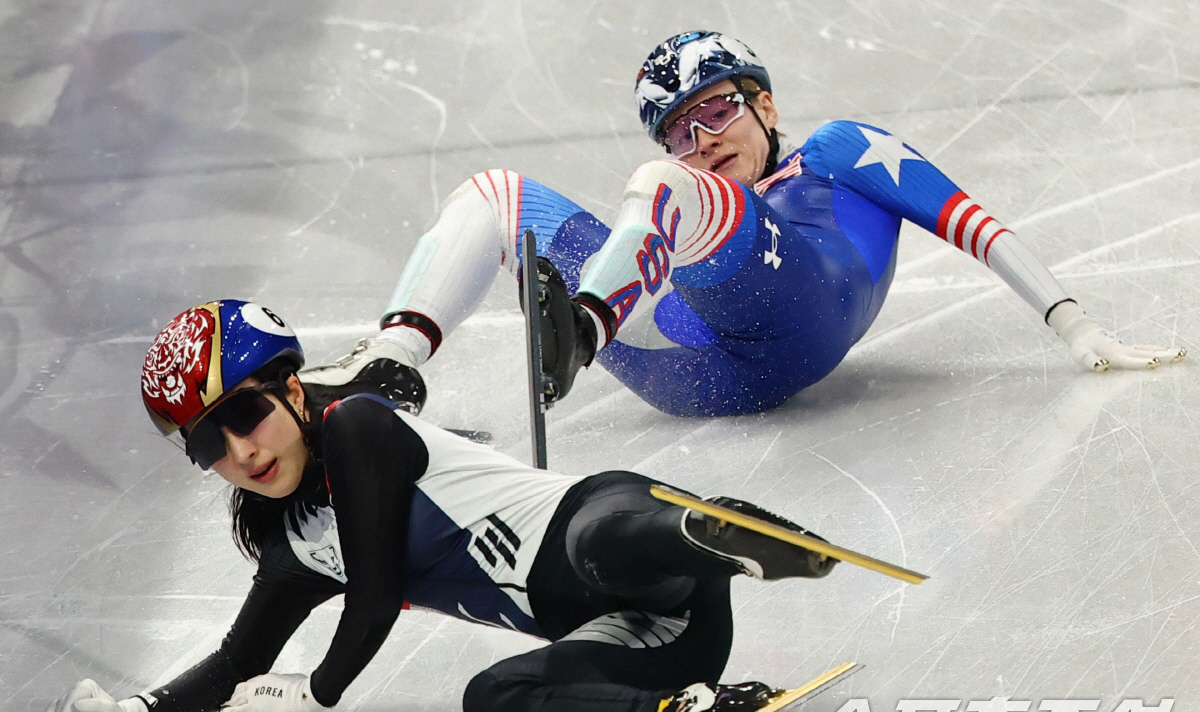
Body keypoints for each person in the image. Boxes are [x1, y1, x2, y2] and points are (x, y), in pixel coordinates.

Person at [40, 299, 841, 712]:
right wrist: (135, 711)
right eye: (208, 445)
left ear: (293, 390)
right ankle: (682, 710)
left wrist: (320, 688)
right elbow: (237, 662)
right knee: (491, 703)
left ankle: (709, 530)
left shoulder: (357, 427)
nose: (240, 452)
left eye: (245, 415)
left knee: (596, 548)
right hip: (661, 635)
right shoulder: (298, 547)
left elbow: (377, 592)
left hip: (613, 527)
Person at [302, 30, 1185, 418]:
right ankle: (391, 365)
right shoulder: (693, 187)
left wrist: (1076, 326)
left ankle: (582, 327)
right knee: (496, 191)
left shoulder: (840, 150)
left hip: (796, 322)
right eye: (680, 131)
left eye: (717, 112)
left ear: (766, 104)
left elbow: (974, 224)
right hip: (680, 364)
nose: (703, 140)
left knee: (665, 190)